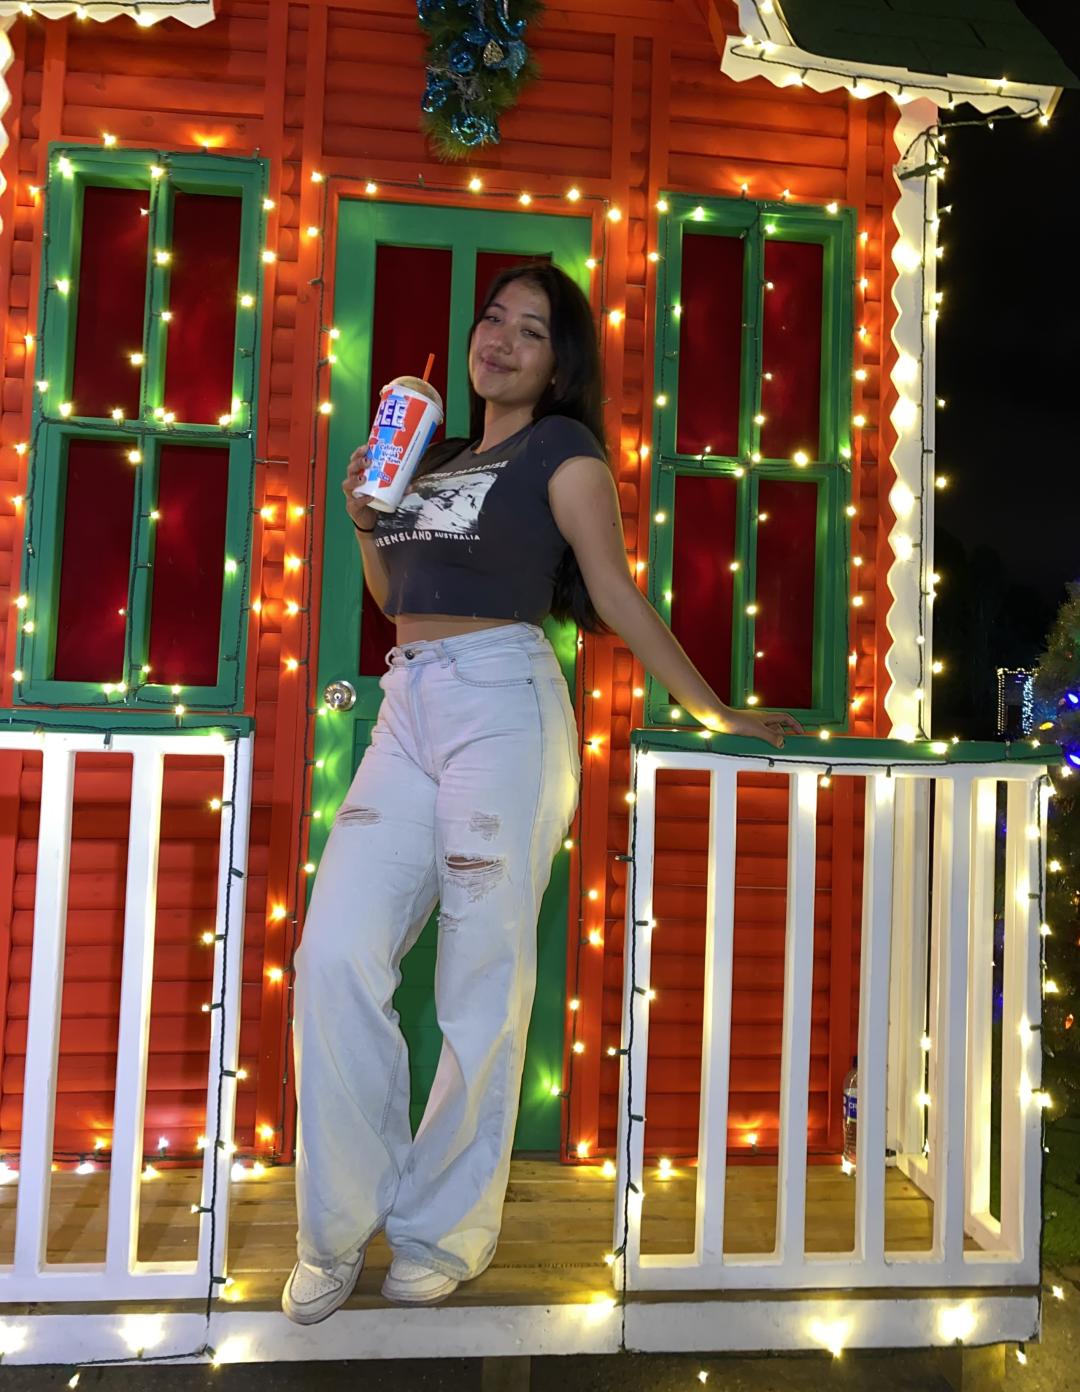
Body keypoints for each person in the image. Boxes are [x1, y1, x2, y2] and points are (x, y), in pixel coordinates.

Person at [282, 262, 803, 1324]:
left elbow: (614, 592)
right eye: (493, 320)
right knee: (332, 955)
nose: (502, 340)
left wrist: (714, 710)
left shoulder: (564, 452)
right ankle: (334, 1229)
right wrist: (363, 519)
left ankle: (439, 1233)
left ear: (559, 364)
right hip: (407, 704)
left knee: (481, 976)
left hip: (502, 708)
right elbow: (396, 598)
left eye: (531, 330)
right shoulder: (432, 458)